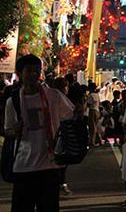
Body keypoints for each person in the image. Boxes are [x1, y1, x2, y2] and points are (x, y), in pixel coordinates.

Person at [4, 55, 75, 212]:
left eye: (37, 71)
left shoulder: (54, 96)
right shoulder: (13, 101)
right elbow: (7, 130)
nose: (34, 74)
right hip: (24, 166)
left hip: (49, 165)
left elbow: (71, 116)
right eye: (29, 71)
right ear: (19, 73)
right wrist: (14, 131)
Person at [86, 82, 102, 146]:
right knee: (96, 126)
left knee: (92, 127)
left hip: (92, 111)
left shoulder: (91, 95)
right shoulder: (96, 95)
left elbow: (88, 104)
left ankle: (92, 142)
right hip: (97, 110)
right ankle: (99, 140)